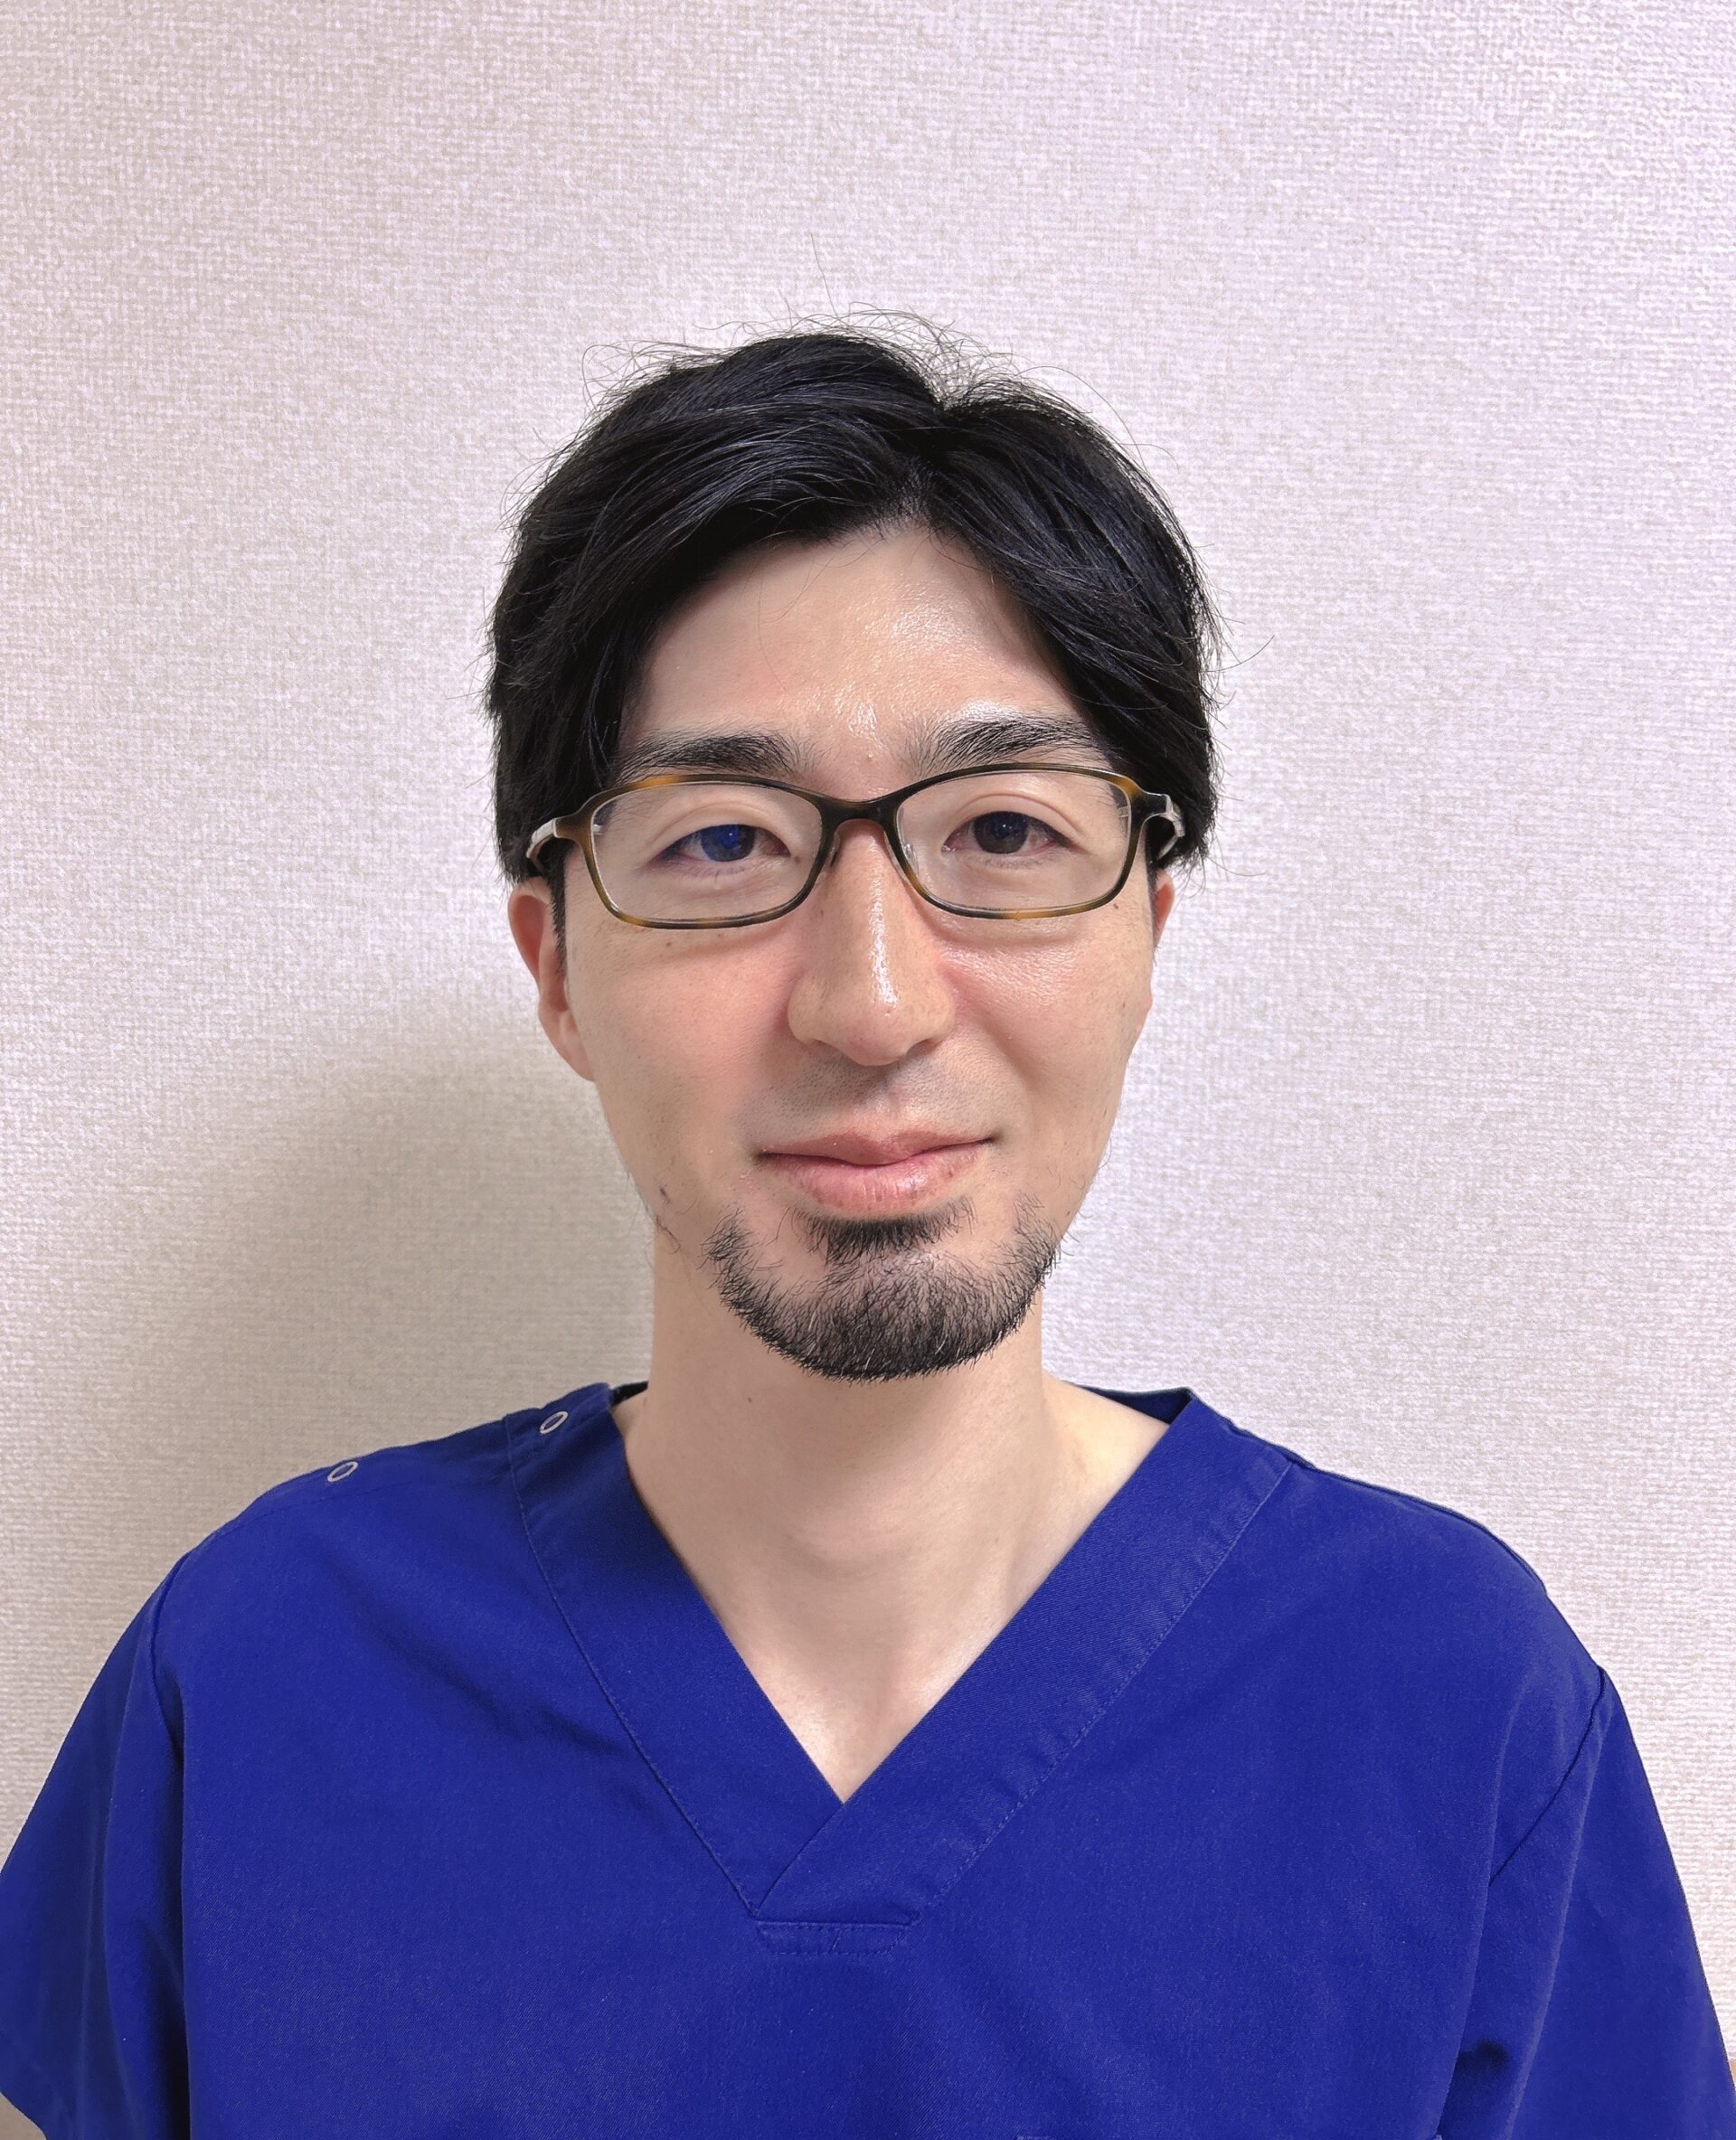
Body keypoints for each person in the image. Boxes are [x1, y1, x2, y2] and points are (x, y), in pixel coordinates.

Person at [0, 327, 1730, 2139]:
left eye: (1004, 831)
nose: (874, 1001)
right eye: (724, 844)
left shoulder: (1448, 1707)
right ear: (556, 964)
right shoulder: (264, 1677)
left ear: (1149, 930)